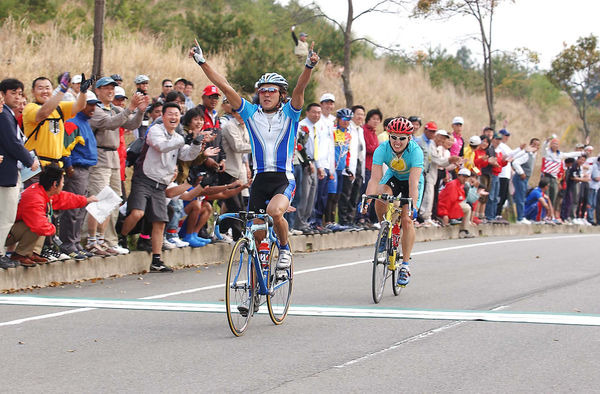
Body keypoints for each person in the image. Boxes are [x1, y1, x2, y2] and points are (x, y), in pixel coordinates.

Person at [188, 38, 319, 279]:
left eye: (272, 91)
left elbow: (300, 89)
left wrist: (309, 67)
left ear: (281, 95)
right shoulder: (250, 113)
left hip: (283, 178)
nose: (267, 94)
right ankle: (256, 287)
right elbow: (225, 86)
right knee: (257, 237)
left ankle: (285, 249)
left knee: (275, 212)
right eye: (263, 90)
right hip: (259, 180)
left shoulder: (290, 114)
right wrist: (202, 62)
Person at [119, 102, 205, 272]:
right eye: (170, 114)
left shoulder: (178, 137)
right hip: (144, 178)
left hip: (161, 184)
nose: (174, 117)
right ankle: (121, 238)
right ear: (163, 116)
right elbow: (161, 146)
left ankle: (156, 260)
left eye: (177, 114)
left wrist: (196, 144)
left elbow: (187, 155)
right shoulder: (155, 130)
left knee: (160, 221)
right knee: (137, 213)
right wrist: (183, 140)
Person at [87, 76, 147, 256]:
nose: (110, 90)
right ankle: (91, 240)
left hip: (113, 157)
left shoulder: (113, 108)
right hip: (100, 156)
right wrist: (130, 109)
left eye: (112, 87)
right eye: (106, 88)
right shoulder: (95, 109)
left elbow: (130, 123)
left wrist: (140, 112)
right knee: (98, 199)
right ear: (97, 91)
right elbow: (109, 123)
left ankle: (104, 239)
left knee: (111, 200)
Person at [363, 117, 424, 287]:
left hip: (412, 182)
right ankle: (384, 228)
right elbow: (374, 179)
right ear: (388, 136)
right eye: (394, 137)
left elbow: (413, 184)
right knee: (380, 195)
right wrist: (368, 199)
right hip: (394, 177)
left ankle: (405, 266)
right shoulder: (381, 149)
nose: (397, 142)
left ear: (409, 138)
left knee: (407, 220)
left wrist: (414, 206)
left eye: (402, 138)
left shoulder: (416, 152)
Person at [6, 165, 97, 267]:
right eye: (62, 182)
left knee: (44, 220)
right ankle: (21, 255)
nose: (63, 185)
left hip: (12, 230)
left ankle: (33, 253)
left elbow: (65, 198)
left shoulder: (42, 190)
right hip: (7, 234)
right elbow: (39, 227)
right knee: (38, 224)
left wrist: (86, 200)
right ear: (55, 184)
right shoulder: (35, 198)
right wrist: (54, 230)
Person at [0, 78, 40, 269]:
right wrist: (29, 160)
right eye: (12, 93)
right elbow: (12, 143)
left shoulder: (7, 114)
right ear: (3, 94)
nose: (17, 97)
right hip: (6, 173)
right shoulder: (3, 115)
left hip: (9, 171)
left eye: (19, 93)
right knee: (5, 216)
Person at [58, 92, 101, 259]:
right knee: (73, 209)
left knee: (81, 208)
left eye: (95, 104)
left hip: (85, 169)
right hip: (76, 169)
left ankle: (75, 243)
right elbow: (66, 147)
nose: (93, 108)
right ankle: (68, 244)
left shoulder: (85, 123)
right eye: (89, 104)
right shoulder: (72, 122)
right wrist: (69, 168)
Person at [23, 74, 89, 170]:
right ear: (33, 91)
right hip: (37, 166)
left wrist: (83, 92)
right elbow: (43, 114)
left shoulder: (60, 108)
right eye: (40, 88)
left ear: (52, 90)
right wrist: (61, 91)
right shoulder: (30, 108)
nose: (44, 91)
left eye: (47, 88)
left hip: (56, 166)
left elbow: (80, 106)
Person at [294, 103, 321, 234]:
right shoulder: (301, 126)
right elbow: (300, 147)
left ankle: (306, 220)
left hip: (315, 162)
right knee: (304, 193)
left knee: (312, 194)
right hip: (305, 163)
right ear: (307, 113)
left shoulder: (317, 127)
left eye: (319, 112)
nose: (317, 115)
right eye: (314, 112)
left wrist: (319, 166)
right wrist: (307, 162)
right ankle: (299, 222)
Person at [437, 168, 475, 238]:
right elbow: (445, 201)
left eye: (467, 177)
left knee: (468, 207)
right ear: (458, 176)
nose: (465, 179)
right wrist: (445, 214)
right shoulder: (453, 185)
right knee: (467, 208)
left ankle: (464, 230)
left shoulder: (461, 185)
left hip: (453, 207)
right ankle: (463, 230)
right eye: (463, 176)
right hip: (447, 208)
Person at [512, 138, 541, 224]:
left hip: (525, 178)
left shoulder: (533, 155)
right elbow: (515, 163)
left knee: (522, 197)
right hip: (520, 178)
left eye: (537, 145)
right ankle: (520, 218)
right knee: (520, 197)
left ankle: (521, 216)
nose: (535, 147)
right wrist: (521, 172)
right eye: (534, 145)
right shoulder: (527, 154)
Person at [587, 155, 600, 225]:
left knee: (594, 204)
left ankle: (592, 219)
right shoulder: (595, 166)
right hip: (592, 187)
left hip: (596, 188)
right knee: (590, 203)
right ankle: (590, 219)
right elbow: (596, 178)